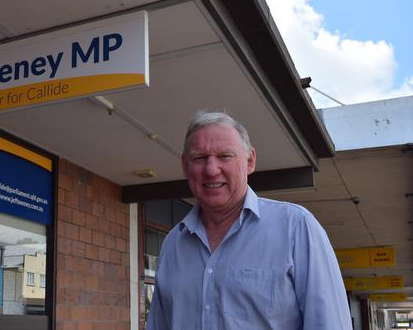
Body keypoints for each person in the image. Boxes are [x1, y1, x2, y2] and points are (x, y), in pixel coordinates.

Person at [146, 111, 351, 329]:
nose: (211, 170)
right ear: (185, 167)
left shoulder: (296, 228)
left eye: (225, 156)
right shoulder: (172, 244)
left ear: (250, 160)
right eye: (199, 158)